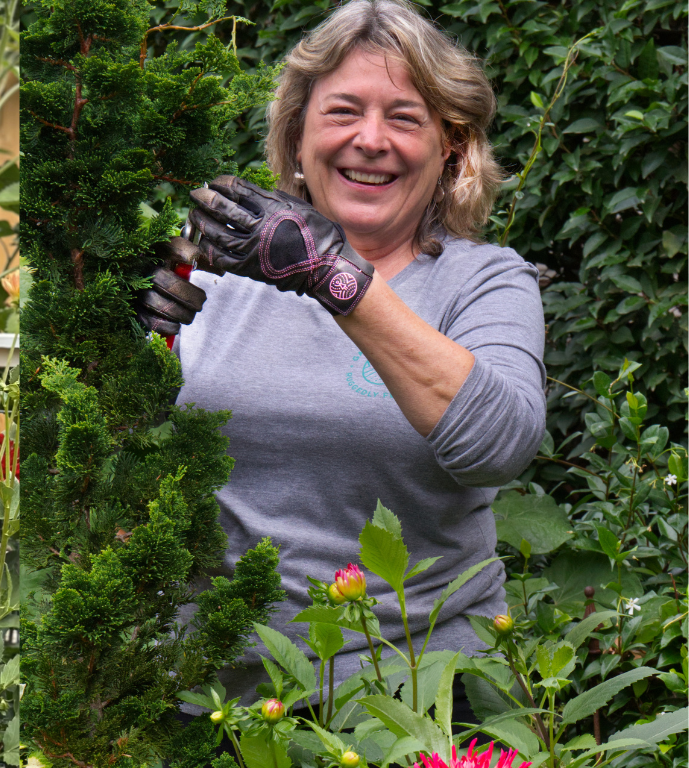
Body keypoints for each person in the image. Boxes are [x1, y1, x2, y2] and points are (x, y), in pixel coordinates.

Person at [137, 0, 546, 712]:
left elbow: (500, 447)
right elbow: (107, 455)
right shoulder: (212, 267)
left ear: (451, 146)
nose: (371, 139)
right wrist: (119, 329)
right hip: (207, 696)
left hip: (408, 694)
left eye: (405, 119)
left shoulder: (483, 281)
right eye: (343, 112)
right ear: (297, 135)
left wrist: (336, 277)